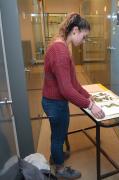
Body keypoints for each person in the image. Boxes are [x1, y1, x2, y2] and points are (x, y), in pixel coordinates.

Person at [41, 12, 105, 179]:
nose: (83, 42)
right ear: (75, 30)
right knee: (58, 135)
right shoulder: (60, 51)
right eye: (84, 37)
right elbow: (66, 90)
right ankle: (60, 169)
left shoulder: (62, 46)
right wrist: (89, 105)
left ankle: (56, 155)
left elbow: (73, 83)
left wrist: (87, 95)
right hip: (54, 103)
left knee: (58, 134)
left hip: (53, 101)